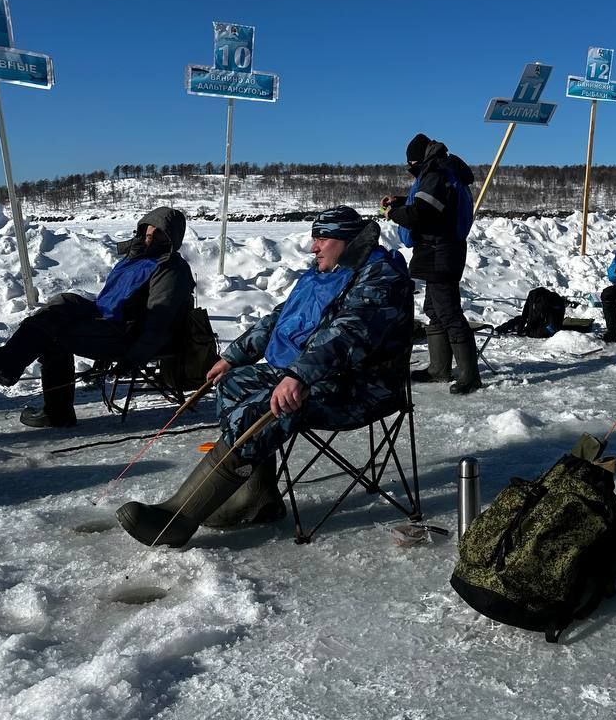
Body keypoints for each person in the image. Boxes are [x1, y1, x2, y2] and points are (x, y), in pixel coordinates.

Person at [117, 207, 414, 548]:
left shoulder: (380, 277)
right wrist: (234, 356)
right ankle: (258, 495)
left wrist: (299, 375)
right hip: (313, 374)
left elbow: (349, 333)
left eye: (322, 239)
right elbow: (279, 317)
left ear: (347, 242)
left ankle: (180, 516)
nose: (313, 248)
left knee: (261, 409)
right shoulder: (323, 271)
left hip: (361, 386)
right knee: (232, 384)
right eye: (314, 238)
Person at [0, 207, 195, 428]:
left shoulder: (171, 269)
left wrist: (134, 357)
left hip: (126, 334)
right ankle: (9, 361)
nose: (149, 237)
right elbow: (115, 299)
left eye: (159, 234)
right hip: (108, 318)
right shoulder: (136, 259)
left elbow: (160, 319)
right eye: (147, 230)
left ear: (171, 238)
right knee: (65, 301)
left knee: (54, 336)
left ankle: (57, 412)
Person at [381, 133, 479, 394]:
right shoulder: (441, 171)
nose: (411, 170)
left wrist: (394, 214)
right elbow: (430, 205)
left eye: (410, 165)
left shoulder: (435, 173)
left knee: (447, 311)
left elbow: (422, 213)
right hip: (438, 249)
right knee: (434, 308)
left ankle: (470, 375)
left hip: (441, 250)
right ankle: (439, 369)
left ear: (417, 160)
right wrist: (401, 201)